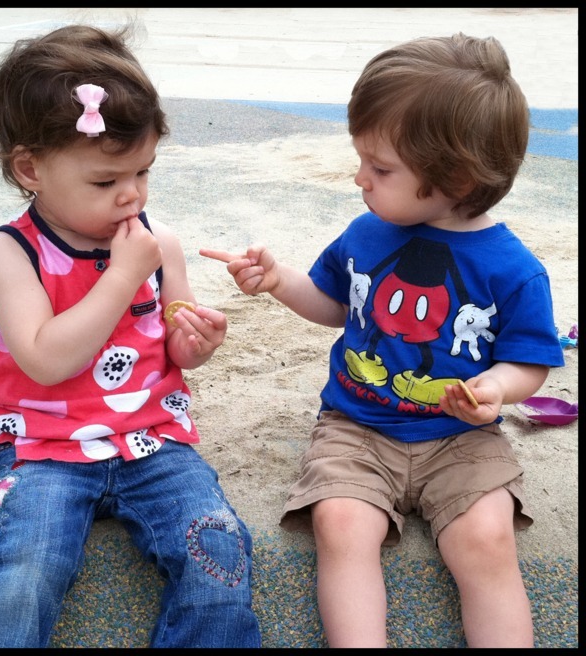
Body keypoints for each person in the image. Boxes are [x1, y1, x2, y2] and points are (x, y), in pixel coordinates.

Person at [201, 33, 563, 648]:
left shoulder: (514, 269)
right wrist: (280, 280)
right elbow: (335, 307)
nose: (359, 177)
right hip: (357, 426)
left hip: (462, 437)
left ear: (456, 177)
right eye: (362, 159)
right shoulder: (366, 234)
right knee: (341, 525)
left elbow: (528, 361)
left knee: (487, 538)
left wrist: (495, 389)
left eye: (381, 167)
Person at [0, 24, 261, 648]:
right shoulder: (12, 251)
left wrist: (194, 343)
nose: (131, 196)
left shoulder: (157, 242)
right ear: (30, 168)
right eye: (105, 181)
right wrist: (121, 277)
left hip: (153, 440)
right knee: (21, 574)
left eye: (142, 172)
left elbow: (171, 343)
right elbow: (46, 361)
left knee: (219, 550)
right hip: (43, 444)